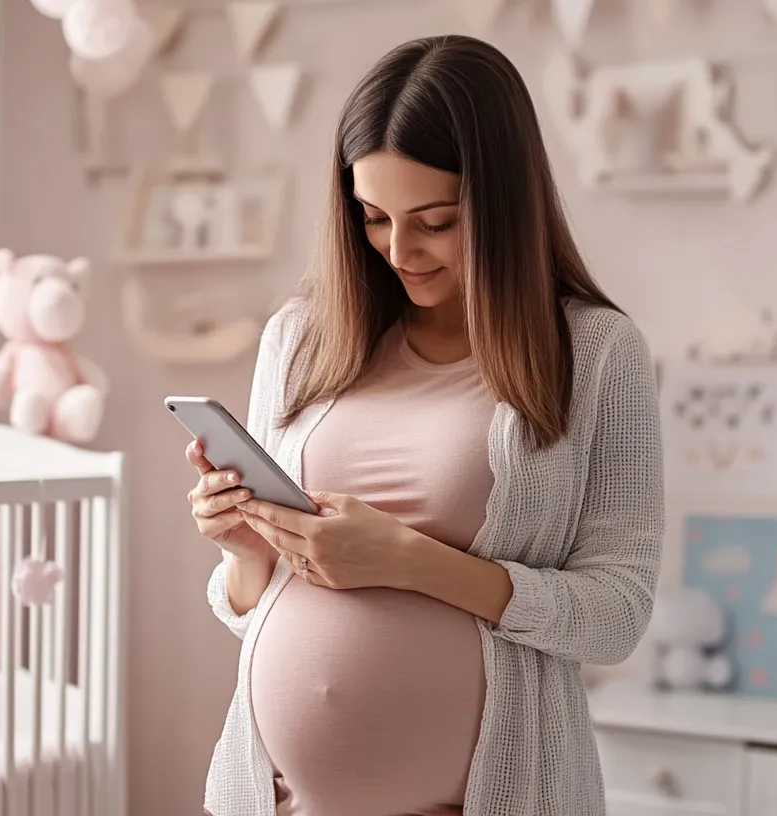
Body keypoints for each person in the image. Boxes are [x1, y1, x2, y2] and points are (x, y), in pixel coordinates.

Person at [185, 34, 665, 816]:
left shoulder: (596, 352)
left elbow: (615, 616)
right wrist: (246, 552)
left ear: (504, 204)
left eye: (434, 221)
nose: (398, 250)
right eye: (373, 217)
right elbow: (260, 608)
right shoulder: (300, 338)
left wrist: (410, 561)